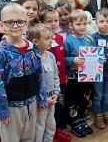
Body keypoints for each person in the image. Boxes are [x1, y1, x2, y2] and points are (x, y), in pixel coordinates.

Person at [0, 3, 47, 142]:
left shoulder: (33, 49)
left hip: (31, 103)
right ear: (2, 25)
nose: (15, 26)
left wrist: (41, 99)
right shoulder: (1, 53)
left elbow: (39, 75)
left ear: (26, 23)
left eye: (19, 21)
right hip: (11, 107)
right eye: (10, 22)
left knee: (29, 138)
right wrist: (1, 110)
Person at [39, 7, 71, 142]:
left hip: (61, 80)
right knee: (47, 110)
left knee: (59, 106)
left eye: (56, 21)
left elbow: (62, 58)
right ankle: (47, 136)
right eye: (49, 21)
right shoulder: (42, 40)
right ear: (41, 22)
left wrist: (66, 75)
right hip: (47, 83)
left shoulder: (59, 37)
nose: (53, 24)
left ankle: (57, 131)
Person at [64, 9, 95, 138]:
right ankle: (75, 123)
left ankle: (83, 121)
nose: (82, 27)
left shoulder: (90, 39)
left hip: (88, 76)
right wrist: (72, 60)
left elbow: (94, 54)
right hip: (74, 77)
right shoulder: (68, 41)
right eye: (78, 24)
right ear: (71, 25)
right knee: (74, 101)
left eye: (84, 23)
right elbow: (63, 59)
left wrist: (100, 60)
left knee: (84, 99)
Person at [27, 23, 60, 142]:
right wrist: (43, 99)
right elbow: (31, 84)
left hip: (52, 98)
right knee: (39, 127)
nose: (51, 41)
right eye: (47, 38)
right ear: (36, 41)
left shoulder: (51, 56)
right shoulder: (31, 59)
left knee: (51, 126)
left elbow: (55, 75)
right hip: (40, 102)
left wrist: (56, 92)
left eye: (52, 37)